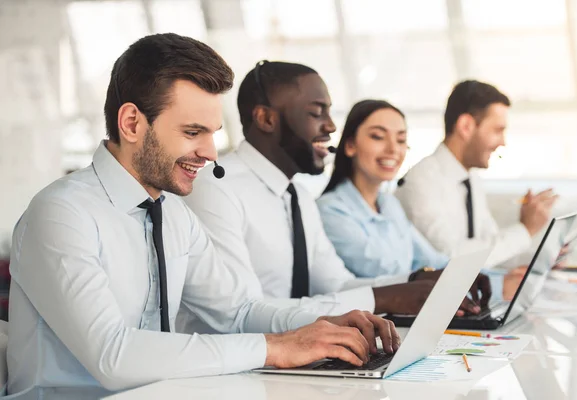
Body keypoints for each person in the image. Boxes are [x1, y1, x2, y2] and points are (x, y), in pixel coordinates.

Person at [6, 35, 399, 395]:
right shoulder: (60, 214)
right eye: (193, 132)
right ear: (131, 124)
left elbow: (239, 311)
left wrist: (327, 325)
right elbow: (114, 355)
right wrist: (275, 348)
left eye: (213, 133)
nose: (211, 153)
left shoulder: (174, 215)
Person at [183, 61, 489, 334]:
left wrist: (414, 283)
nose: (330, 126)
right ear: (266, 119)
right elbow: (242, 314)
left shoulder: (299, 197)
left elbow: (335, 284)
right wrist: (385, 297)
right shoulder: (217, 189)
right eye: (317, 113)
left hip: (297, 354)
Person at [317, 99, 525, 301]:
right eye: (378, 137)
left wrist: (496, 279)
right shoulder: (331, 211)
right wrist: (496, 286)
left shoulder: (389, 205)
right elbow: (389, 272)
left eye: (400, 140)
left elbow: (432, 260)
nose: (393, 149)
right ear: (350, 145)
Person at [395, 80, 557, 269]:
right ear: (466, 126)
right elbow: (452, 259)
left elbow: (489, 250)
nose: (502, 142)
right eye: (497, 130)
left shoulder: (471, 180)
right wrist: (525, 229)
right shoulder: (420, 181)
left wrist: (542, 258)